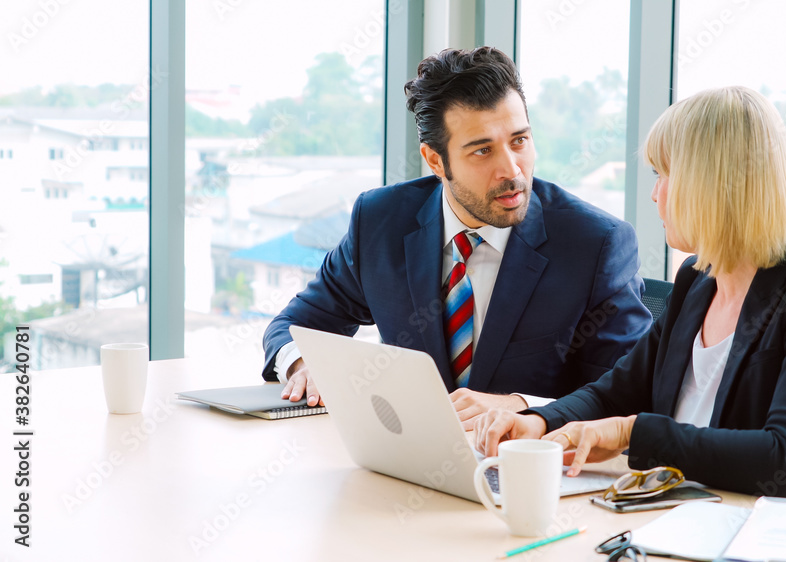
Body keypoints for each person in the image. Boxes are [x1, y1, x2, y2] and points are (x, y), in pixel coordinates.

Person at [475, 86, 786, 503]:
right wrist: (539, 421)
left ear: (711, 186)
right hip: (678, 518)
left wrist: (632, 432)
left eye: (663, 175)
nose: (654, 194)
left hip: (773, 539)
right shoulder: (698, 281)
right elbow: (617, 391)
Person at [261, 47, 652, 427]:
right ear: (435, 160)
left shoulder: (596, 244)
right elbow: (296, 325)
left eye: (519, 141)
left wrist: (522, 407)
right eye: (482, 151)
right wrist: (302, 362)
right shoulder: (381, 221)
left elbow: (629, 395)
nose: (511, 170)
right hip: (406, 464)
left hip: (524, 474)